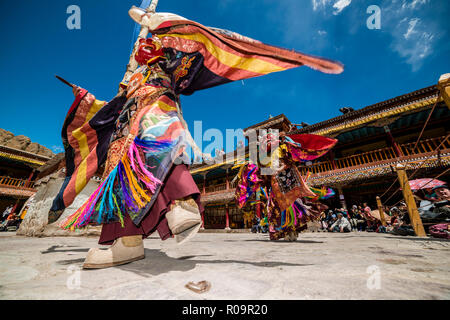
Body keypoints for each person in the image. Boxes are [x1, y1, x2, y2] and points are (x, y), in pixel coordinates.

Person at [47, 8, 343, 269]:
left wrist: (153, 22)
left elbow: (188, 36)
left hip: (156, 110)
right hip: (126, 126)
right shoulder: (134, 76)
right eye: (142, 44)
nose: (143, 47)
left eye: (148, 43)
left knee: (159, 147)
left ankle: (182, 204)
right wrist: (87, 98)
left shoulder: (168, 64)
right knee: (120, 176)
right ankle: (127, 242)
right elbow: (109, 110)